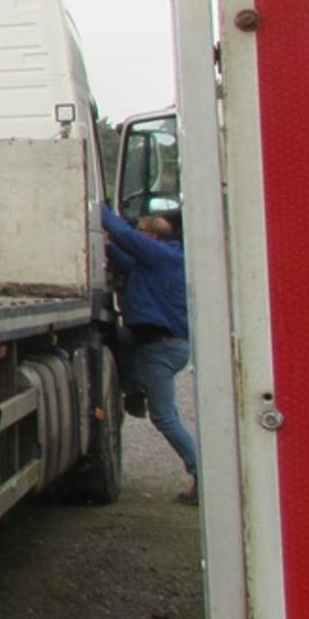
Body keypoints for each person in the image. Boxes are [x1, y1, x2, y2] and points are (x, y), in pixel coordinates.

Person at [101, 203, 198, 503]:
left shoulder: (165, 257)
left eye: (141, 232)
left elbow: (122, 235)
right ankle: (133, 389)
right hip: (153, 341)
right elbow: (121, 255)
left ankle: (201, 475)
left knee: (165, 417)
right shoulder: (153, 262)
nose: (136, 235)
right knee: (119, 337)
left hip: (162, 347)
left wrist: (95, 206)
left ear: (153, 238)